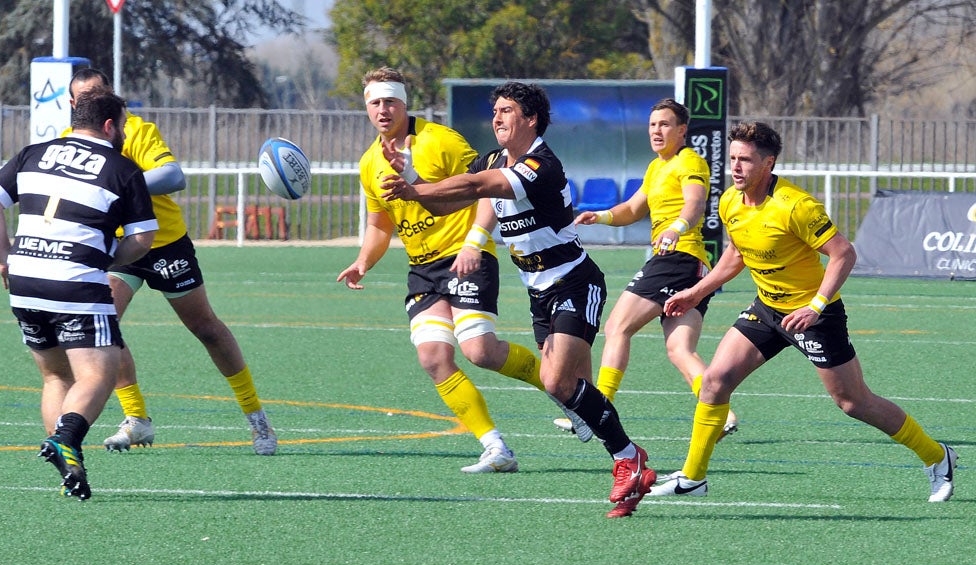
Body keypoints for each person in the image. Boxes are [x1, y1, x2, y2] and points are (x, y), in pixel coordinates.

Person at [382, 81, 657, 518]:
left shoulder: (541, 165)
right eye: (494, 110)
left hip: (575, 283)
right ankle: (629, 462)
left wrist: (416, 189)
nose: (496, 117)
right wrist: (414, 180)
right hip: (539, 294)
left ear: (530, 119)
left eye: (506, 110)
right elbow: (450, 201)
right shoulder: (496, 158)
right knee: (570, 389)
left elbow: (474, 186)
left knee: (556, 384)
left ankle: (628, 458)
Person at [651, 121, 957, 502]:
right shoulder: (731, 200)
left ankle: (937, 455)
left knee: (853, 402)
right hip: (766, 309)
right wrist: (695, 292)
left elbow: (844, 253)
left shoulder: (795, 205)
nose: (736, 167)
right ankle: (693, 478)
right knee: (714, 382)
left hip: (814, 315)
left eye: (745, 160)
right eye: (732, 159)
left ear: (768, 163)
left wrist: (816, 306)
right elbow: (736, 254)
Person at [338, 67, 560, 473]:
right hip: (422, 269)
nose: (383, 109)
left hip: (464, 255)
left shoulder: (441, 140)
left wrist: (475, 240)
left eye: (390, 101)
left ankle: (563, 391)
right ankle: (496, 448)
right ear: (367, 108)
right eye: (375, 102)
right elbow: (379, 224)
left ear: (405, 103)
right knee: (433, 358)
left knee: (480, 352)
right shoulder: (369, 162)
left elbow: (483, 186)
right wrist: (362, 262)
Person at [66, 69, 277, 455]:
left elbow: (173, 175)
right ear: (72, 104)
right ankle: (137, 420)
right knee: (103, 324)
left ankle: (256, 418)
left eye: (98, 94)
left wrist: (119, 182)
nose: (91, 102)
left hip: (163, 243)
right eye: (83, 98)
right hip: (116, 250)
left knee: (206, 328)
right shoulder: (69, 144)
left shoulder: (137, 131)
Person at [0, 90, 158, 499]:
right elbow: (144, 238)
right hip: (75, 279)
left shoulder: (32, 153)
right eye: (124, 126)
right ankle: (67, 440)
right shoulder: (122, 169)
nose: (125, 134)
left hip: (24, 278)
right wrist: (106, 257)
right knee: (99, 372)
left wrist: (6, 259)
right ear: (110, 126)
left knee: (56, 374)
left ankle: (68, 467)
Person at [571, 98, 737, 441]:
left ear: (682, 130)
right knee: (680, 350)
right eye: (652, 125)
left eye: (664, 124)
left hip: (678, 258)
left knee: (617, 326)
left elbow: (694, 203)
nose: (657, 131)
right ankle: (722, 414)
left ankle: (597, 408)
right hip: (688, 266)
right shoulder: (655, 167)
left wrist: (676, 227)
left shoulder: (689, 160)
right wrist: (599, 217)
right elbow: (632, 208)